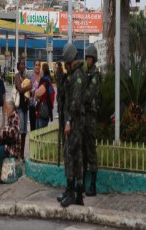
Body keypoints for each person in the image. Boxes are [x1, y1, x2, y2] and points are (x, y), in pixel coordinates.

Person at [57, 43, 86, 207]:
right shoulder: (75, 75)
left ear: (70, 61)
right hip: (75, 121)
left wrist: (68, 122)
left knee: (70, 154)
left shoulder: (78, 77)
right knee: (76, 157)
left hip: (75, 122)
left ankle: (71, 192)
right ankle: (77, 194)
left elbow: (74, 103)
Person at [83, 45, 102, 196]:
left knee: (91, 152)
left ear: (93, 59)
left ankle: (93, 185)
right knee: (83, 151)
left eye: (89, 58)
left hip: (91, 118)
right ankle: (82, 183)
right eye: (86, 57)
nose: (87, 60)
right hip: (84, 116)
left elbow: (88, 95)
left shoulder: (95, 75)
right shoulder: (86, 73)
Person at [0, 100, 21, 184]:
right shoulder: (10, 117)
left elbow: (14, 133)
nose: (6, 111)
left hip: (14, 147)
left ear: (12, 109)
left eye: (7, 109)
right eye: (5, 109)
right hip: (9, 144)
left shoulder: (15, 117)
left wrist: (4, 131)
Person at [14, 57, 32, 161]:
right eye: (21, 64)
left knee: (24, 132)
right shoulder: (17, 77)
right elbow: (20, 89)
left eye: (24, 64)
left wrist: (30, 89)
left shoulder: (25, 77)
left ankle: (21, 154)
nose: (23, 66)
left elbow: (28, 91)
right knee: (20, 131)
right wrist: (28, 87)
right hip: (20, 107)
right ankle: (17, 152)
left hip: (26, 107)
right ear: (18, 65)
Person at [35, 63, 53, 129]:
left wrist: (36, 94)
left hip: (43, 111)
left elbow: (37, 93)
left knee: (40, 133)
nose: (40, 71)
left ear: (44, 70)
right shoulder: (48, 79)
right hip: (43, 110)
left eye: (41, 69)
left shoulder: (45, 81)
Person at [55, 62, 65, 166]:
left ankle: (64, 147)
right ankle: (63, 146)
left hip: (63, 106)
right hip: (60, 105)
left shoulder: (60, 76)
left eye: (56, 67)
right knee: (61, 129)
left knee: (62, 129)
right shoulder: (58, 76)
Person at [29, 60, 41, 131]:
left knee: (39, 129)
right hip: (32, 105)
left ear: (40, 66)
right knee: (33, 128)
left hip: (40, 106)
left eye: (38, 65)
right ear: (34, 67)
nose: (37, 66)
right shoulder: (31, 77)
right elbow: (28, 90)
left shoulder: (42, 77)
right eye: (36, 65)